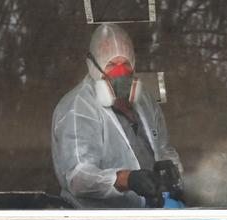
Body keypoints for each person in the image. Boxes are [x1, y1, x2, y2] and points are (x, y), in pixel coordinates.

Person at [52, 24, 183, 208]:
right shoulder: (78, 108)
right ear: (93, 66)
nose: (120, 72)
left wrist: (170, 168)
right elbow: (78, 177)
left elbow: (163, 147)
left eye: (125, 64)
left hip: (151, 215)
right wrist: (126, 179)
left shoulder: (144, 99)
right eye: (111, 64)